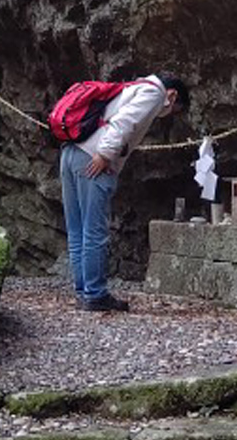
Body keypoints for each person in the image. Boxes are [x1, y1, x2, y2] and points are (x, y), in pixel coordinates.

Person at [60, 73, 190, 311]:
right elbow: (125, 121)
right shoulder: (154, 93)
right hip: (92, 158)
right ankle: (95, 294)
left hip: (70, 153)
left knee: (77, 228)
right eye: (175, 109)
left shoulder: (132, 87)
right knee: (94, 230)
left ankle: (83, 291)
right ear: (173, 96)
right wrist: (105, 154)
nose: (169, 114)